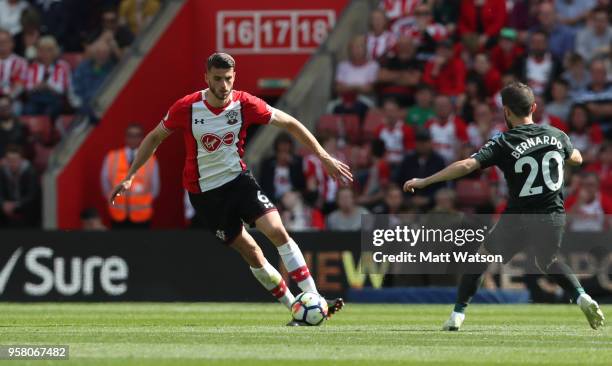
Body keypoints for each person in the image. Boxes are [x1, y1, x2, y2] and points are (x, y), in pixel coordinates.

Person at [109, 53, 351, 325]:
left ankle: (314, 298)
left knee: (276, 231)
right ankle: (294, 308)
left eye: (228, 79)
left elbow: (290, 123)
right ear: (206, 78)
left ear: (234, 77)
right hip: (206, 196)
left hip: (239, 182)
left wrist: (323, 156)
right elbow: (155, 137)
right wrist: (131, 175)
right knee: (253, 253)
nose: (223, 85)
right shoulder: (186, 108)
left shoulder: (245, 103)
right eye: (217, 79)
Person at [403, 82, 605, 331]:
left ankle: (457, 314)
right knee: (548, 260)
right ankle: (582, 296)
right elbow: (577, 158)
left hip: (519, 217)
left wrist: (426, 180)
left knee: (481, 258)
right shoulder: (556, 134)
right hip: (553, 215)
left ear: (506, 111)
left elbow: (467, 165)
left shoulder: (504, 142)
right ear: (533, 107)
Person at [102, 123, 160, 229]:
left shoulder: (150, 159)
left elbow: (155, 188)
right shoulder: (112, 157)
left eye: (137, 136)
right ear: (126, 137)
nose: (133, 139)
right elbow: (105, 184)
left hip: (142, 216)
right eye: (130, 135)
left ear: (142, 138)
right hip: (117, 215)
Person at [0, 144, 39, 227]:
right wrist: (3, 203)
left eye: (15, 160)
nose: (12, 163)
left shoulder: (30, 172)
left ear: (21, 160)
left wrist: (15, 205)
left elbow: (31, 196)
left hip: (25, 209)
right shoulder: (3, 171)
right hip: (7, 207)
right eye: (9, 160)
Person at [259, 133, 305, 203]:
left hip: (292, 197)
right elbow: (264, 184)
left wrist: (292, 164)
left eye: (286, 145)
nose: (284, 147)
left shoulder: (297, 162)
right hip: (273, 199)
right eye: (282, 145)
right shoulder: (268, 163)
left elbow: (301, 184)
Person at [0, 28, 27, 100]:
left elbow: (20, 85)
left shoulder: (21, 62)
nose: (2, 45)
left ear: (12, 43)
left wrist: (8, 99)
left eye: (5, 42)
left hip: (12, 99)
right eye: (0, 42)